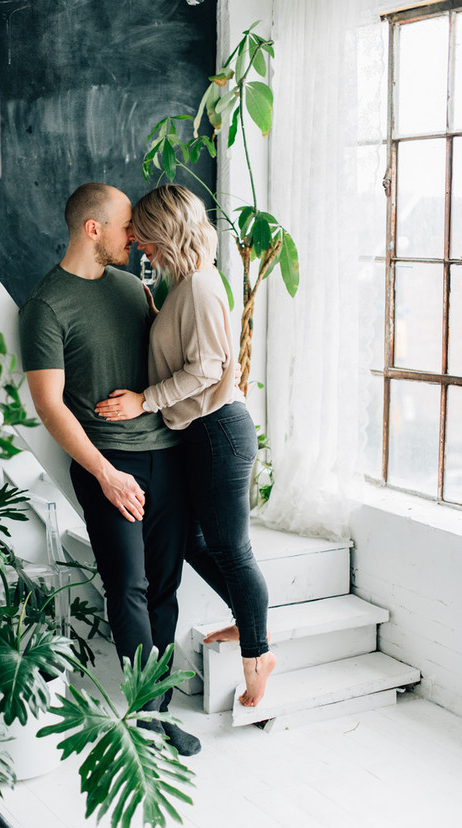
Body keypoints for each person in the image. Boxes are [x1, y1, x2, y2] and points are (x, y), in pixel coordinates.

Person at [18, 182, 201, 755]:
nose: (136, 238)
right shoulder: (46, 305)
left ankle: (159, 705)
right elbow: (49, 404)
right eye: (127, 227)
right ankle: (147, 718)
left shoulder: (133, 287)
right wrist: (104, 473)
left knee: (166, 585)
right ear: (92, 229)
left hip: (167, 453)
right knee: (130, 587)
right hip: (108, 464)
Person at [95, 184, 276, 707]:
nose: (138, 244)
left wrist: (144, 401)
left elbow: (209, 368)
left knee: (230, 547)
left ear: (165, 231)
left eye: (144, 236)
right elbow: (187, 348)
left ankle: (258, 653)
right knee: (197, 542)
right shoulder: (187, 286)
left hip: (218, 429)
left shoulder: (198, 285)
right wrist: (155, 316)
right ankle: (250, 618)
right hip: (202, 433)